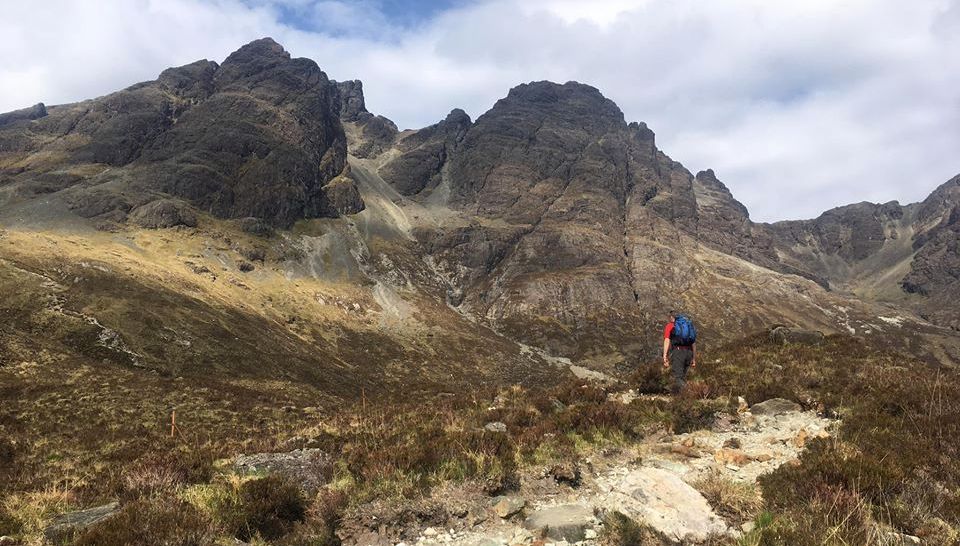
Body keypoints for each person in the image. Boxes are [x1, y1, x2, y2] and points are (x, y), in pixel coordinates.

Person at [662, 311, 697, 394]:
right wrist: (694, 358)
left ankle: (688, 394)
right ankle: (681, 396)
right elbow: (694, 343)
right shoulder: (688, 326)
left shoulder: (670, 326)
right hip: (689, 352)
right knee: (684, 376)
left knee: (678, 376)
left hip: (678, 352)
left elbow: (667, 340)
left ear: (671, 317)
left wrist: (664, 355)